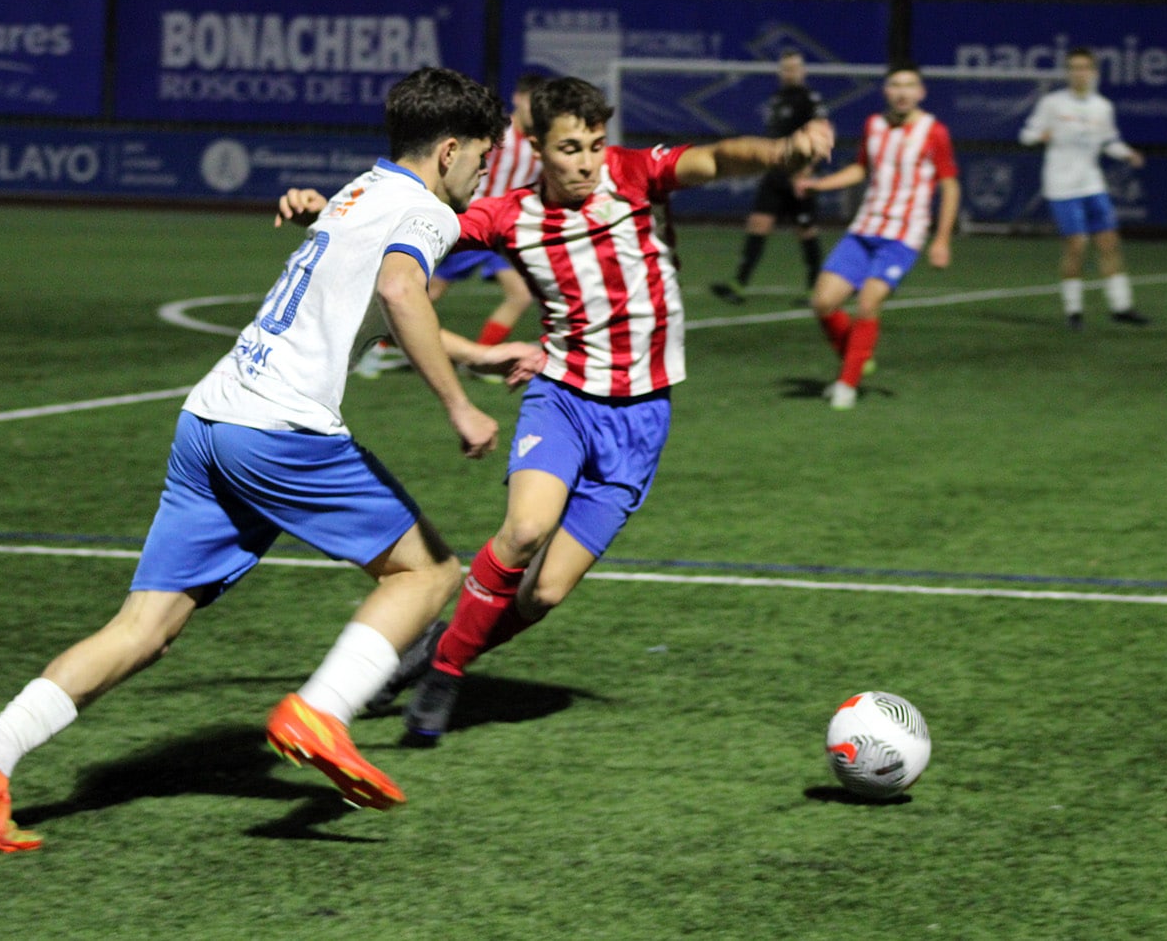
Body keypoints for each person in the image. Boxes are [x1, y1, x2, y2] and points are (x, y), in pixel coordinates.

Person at [0, 67, 545, 852]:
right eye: (483, 159)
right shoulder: (424, 212)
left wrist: (475, 360)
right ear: (450, 149)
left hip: (212, 418)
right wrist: (457, 404)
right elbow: (399, 292)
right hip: (279, 431)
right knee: (425, 574)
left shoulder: (363, 191)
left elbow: (367, 303)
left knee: (144, 629)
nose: (484, 172)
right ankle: (322, 711)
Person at [278, 76, 834, 743]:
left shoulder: (636, 175)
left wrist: (782, 154)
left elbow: (717, 158)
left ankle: (433, 647)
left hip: (641, 418)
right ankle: (446, 673)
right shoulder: (508, 215)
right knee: (523, 531)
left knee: (542, 593)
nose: (587, 161)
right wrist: (325, 212)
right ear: (537, 146)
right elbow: (405, 229)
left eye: (596, 145)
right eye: (570, 148)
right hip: (562, 398)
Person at [355, 74, 546, 380]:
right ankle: (373, 346)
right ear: (519, 99)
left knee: (519, 293)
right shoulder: (500, 135)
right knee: (421, 293)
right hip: (468, 221)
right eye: (530, 101)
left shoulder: (537, 144)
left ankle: (481, 359)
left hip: (494, 230)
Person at [796, 64, 960, 410]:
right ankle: (858, 358)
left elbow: (949, 185)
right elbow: (861, 169)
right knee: (823, 301)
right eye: (895, 85)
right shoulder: (874, 125)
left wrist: (942, 238)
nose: (902, 92)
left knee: (868, 303)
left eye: (909, 85)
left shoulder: (934, 132)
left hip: (904, 235)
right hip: (865, 228)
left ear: (921, 92)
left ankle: (846, 385)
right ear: (886, 91)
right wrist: (818, 184)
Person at [1020, 46, 1150, 330]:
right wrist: (1039, 136)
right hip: (1061, 186)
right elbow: (1026, 134)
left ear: (1093, 73)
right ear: (1068, 73)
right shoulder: (1053, 103)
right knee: (1077, 246)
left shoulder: (1102, 107)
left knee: (1109, 243)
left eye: (1084, 68)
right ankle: (1074, 311)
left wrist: (1128, 153)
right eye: (1074, 68)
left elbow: (1109, 141)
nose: (1079, 73)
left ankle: (1121, 306)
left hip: (1092, 183)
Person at [711, 49, 829, 304]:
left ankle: (815, 288)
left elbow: (822, 134)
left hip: (800, 175)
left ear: (803, 71)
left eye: (795, 68)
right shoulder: (777, 99)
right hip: (776, 174)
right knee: (758, 223)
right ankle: (739, 284)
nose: (791, 73)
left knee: (806, 229)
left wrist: (806, 172)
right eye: (786, 68)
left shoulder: (809, 99)